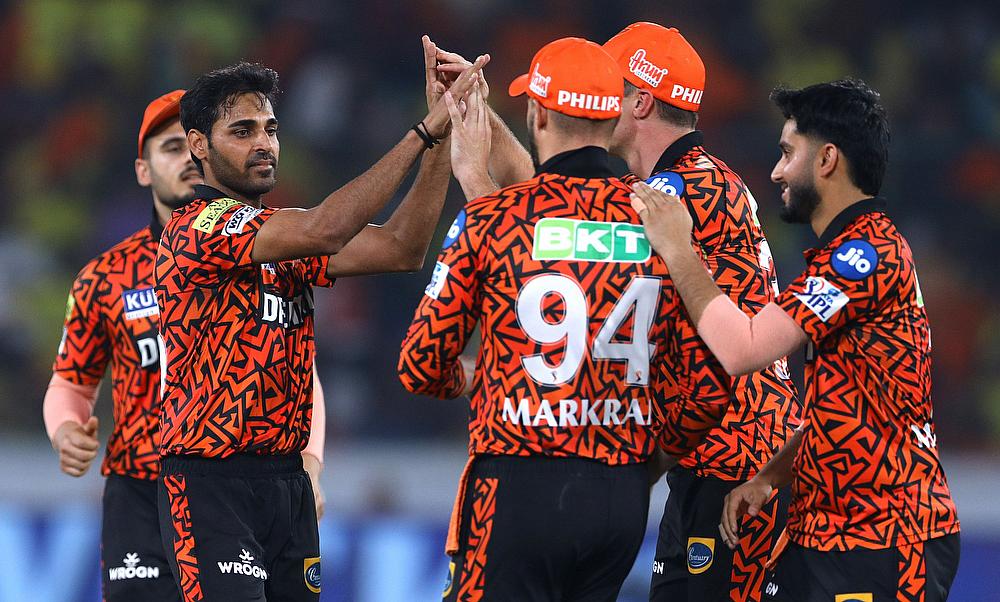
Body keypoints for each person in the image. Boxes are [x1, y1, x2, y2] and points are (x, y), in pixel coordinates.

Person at [398, 37, 731, 601]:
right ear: (613, 114)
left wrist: (476, 377)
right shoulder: (664, 220)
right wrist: (647, 454)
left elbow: (419, 367)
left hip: (519, 485)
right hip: (620, 499)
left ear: (538, 112)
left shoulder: (493, 219)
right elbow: (709, 383)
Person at [154, 44, 486, 601]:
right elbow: (326, 230)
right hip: (212, 482)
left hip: (287, 483)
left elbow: (402, 248)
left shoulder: (277, 232)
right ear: (198, 147)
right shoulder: (198, 227)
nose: (263, 142)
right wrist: (421, 135)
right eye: (241, 131)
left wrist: (445, 135)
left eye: (270, 127)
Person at [631, 78, 961, 601]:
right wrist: (770, 477)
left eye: (788, 153)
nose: (777, 171)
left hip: (884, 533)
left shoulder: (865, 256)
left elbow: (742, 350)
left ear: (827, 159)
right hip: (828, 530)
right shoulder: (850, 254)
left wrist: (678, 249)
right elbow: (849, 409)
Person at [42, 89, 329, 601]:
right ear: (143, 170)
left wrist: (310, 462)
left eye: (193, 146)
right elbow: (71, 381)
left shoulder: (268, 251)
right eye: (171, 148)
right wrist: (65, 429)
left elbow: (302, 371)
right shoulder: (104, 277)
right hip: (142, 490)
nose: (188, 158)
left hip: (232, 486)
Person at [600, 22, 801, 602]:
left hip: (734, 468)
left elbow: (547, 229)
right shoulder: (700, 181)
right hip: (721, 457)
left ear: (640, 100)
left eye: (604, 90)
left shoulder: (677, 194)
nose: (586, 108)